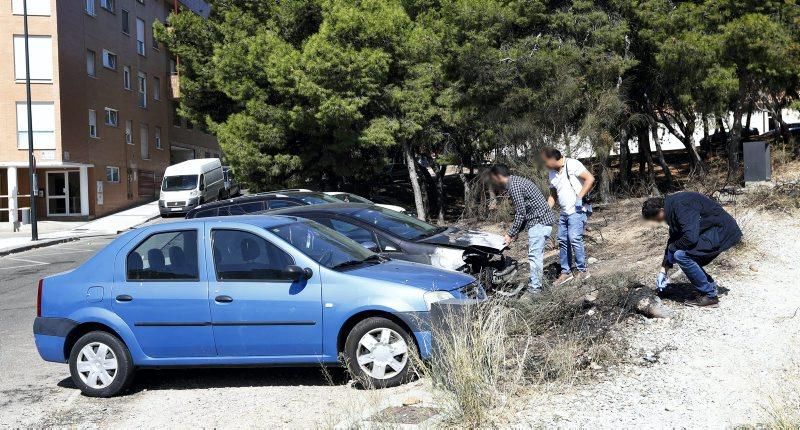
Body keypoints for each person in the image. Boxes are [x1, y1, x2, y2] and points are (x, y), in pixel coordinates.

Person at [641, 192, 742, 307]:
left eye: (656, 219)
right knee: (681, 252)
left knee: (681, 255)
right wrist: (663, 271)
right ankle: (710, 287)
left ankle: (709, 296)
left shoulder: (681, 206)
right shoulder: (672, 208)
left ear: (661, 210)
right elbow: (673, 240)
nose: (658, 222)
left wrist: (673, 248)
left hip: (722, 231)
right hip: (712, 231)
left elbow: (690, 238)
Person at [488, 164, 557, 294]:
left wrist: (510, 233)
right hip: (540, 221)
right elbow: (526, 210)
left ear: (499, 177)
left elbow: (521, 212)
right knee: (535, 255)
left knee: (535, 256)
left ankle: (535, 289)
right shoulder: (516, 182)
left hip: (540, 222)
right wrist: (516, 232)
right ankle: (535, 285)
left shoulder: (514, 185)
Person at [541, 148, 595, 286]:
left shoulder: (572, 164)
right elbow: (553, 195)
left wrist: (579, 197)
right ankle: (566, 273)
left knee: (575, 238)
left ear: (553, 159)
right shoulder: (552, 173)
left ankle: (583, 271)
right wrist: (545, 211)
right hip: (565, 212)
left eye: (546, 161)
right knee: (563, 240)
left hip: (578, 209)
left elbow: (590, 178)